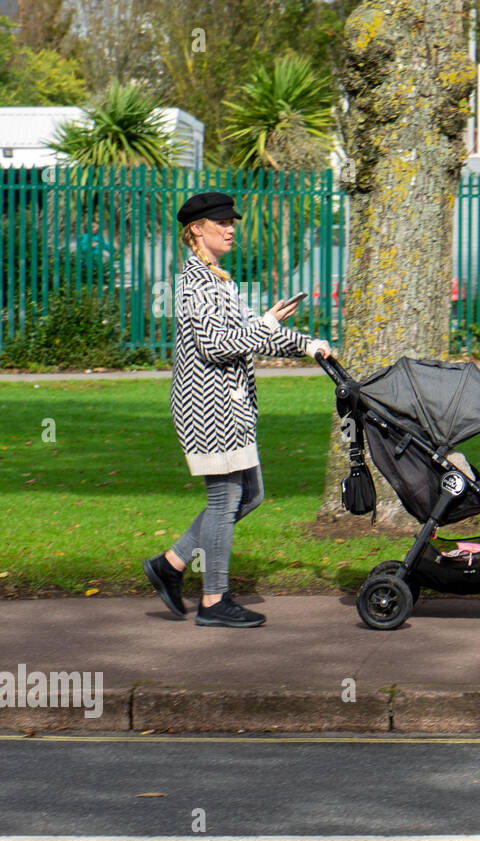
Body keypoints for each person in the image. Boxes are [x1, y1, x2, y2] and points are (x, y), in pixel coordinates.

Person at [141, 191, 332, 628]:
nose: (230, 228)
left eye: (231, 222)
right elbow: (218, 347)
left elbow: (251, 335)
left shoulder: (221, 280)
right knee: (225, 499)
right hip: (207, 409)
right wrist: (265, 324)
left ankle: (171, 564)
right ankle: (213, 601)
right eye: (220, 222)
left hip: (231, 408)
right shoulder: (195, 283)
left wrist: (306, 344)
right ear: (196, 230)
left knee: (251, 494)